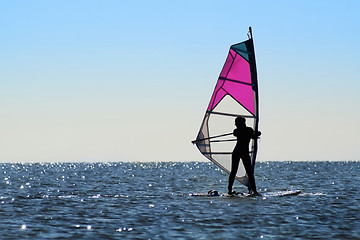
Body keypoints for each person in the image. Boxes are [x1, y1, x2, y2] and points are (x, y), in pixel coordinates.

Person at [228, 117, 261, 195]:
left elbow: (253, 136)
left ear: (241, 123)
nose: (235, 124)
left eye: (236, 122)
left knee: (249, 172)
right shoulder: (237, 131)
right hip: (237, 152)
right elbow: (237, 134)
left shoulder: (248, 130)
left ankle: (254, 190)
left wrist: (256, 134)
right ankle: (229, 190)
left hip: (244, 153)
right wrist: (255, 134)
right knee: (234, 171)